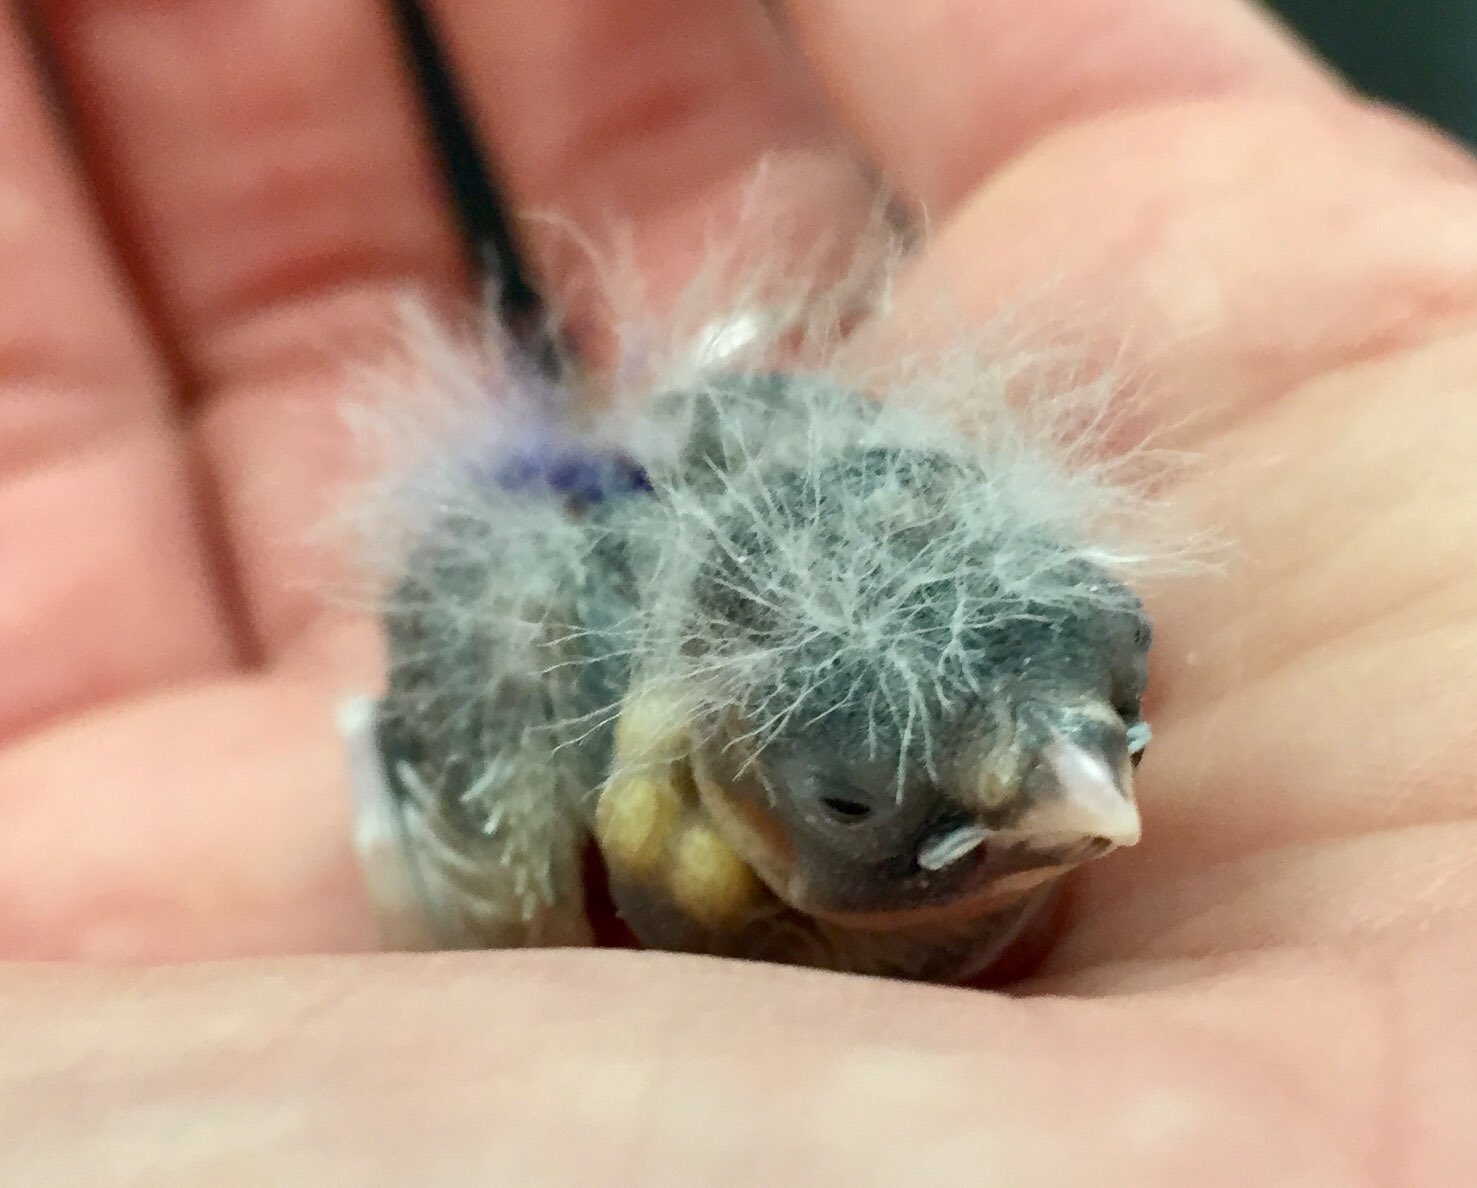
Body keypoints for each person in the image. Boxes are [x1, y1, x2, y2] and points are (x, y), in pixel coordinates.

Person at [1, 0, 1473, 1179]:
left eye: (1106, 678)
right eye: (846, 800)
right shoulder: (572, 774)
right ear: (699, 805)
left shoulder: (940, 592)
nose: (1095, 788)